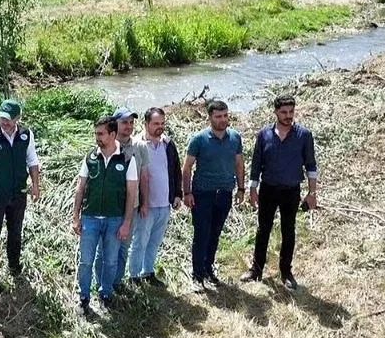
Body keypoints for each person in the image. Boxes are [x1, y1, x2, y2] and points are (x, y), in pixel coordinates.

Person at [243, 95, 318, 291]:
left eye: (291, 112)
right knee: (263, 230)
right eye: (284, 112)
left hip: (291, 191)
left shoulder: (304, 135)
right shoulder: (264, 135)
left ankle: (286, 272)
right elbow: (256, 164)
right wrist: (252, 189)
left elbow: (311, 165)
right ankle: (256, 270)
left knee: (288, 231)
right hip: (268, 189)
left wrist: (312, 193)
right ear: (275, 112)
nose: (288, 116)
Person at [73, 116, 138, 313]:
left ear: (112, 134)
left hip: (114, 220)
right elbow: (80, 187)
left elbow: (131, 193)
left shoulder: (127, 159)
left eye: (100, 134)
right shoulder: (90, 157)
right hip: (90, 218)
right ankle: (83, 296)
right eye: (95, 133)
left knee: (110, 260)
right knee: (85, 260)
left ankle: (105, 293)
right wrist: (75, 216)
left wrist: (126, 222)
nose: (97, 138)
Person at [181, 100, 246, 288]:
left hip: (224, 193)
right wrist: (187, 193)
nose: (223, 120)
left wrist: (241, 188)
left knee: (215, 233)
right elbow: (187, 168)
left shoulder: (235, 137)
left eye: (225, 115)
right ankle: (197, 274)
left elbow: (239, 164)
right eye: (218, 116)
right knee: (201, 233)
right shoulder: (199, 139)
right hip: (202, 193)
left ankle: (209, 268)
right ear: (210, 117)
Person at [0, 99, 41, 278]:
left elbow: (32, 161)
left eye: (8, 119)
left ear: (18, 118)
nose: (3, 122)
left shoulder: (26, 135)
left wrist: (35, 185)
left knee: (15, 231)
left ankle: (14, 266)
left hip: (18, 194)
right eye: (1, 118)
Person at [127, 107, 182, 287]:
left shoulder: (168, 144)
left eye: (162, 123)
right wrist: (140, 202)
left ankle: (148, 272)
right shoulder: (136, 145)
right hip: (145, 205)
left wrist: (177, 195)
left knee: (154, 241)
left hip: (164, 204)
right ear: (146, 124)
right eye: (156, 123)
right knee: (140, 241)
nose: (160, 127)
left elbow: (175, 171)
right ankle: (133, 276)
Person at [104, 106, 147, 292]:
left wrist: (144, 203)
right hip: (110, 207)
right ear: (115, 124)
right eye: (124, 122)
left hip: (132, 206)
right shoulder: (107, 146)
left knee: (123, 248)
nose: (128, 126)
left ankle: (117, 282)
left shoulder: (140, 147)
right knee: (107, 249)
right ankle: (104, 284)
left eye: (131, 122)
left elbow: (144, 177)